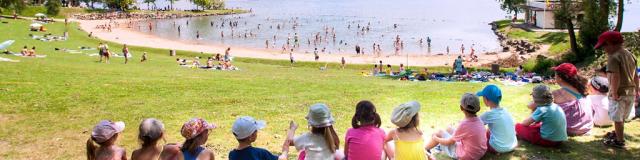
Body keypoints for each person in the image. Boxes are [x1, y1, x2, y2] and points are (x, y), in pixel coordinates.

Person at [596, 31, 638, 148]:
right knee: (622, 117)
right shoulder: (630, 55)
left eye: (604, 46)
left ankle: (619, 141)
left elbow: (615, 76)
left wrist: (614, 93)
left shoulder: (613, 57)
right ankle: (618, 133)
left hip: (618, 93)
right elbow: (635, 75)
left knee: (617, 118)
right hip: (631, 91)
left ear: (610, 43)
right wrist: (637, 90)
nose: (604, 49)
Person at [425, 93, 487, 160]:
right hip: (479, 153)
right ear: (479, 109)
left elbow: (449, 142)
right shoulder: (480, 121)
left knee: (439, 132)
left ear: (461, 107)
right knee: (448, 129)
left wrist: (436, 138)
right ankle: (439, 146)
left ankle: (424, 150)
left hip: (467, 156)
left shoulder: (463, 125)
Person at [551, 63, 593, 136]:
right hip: (585, 127)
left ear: (560, 77)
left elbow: (536, 106)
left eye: (555, 75)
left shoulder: (556, 93)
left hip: (569, 129)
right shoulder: (583, 89)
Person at [476, 85, 517, 153]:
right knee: (488, 131)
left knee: (478, 139)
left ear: (486, 99)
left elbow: (474, 124)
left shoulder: (489, 114)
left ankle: (496, 149)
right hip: (513, 145)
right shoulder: (505, 110)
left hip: (499, 148)